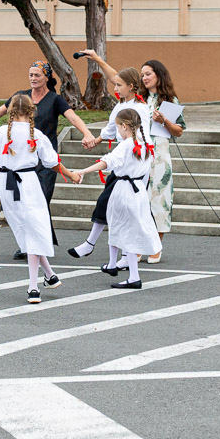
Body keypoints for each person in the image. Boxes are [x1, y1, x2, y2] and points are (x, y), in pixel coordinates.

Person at [0, 61, 96, 260]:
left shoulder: (55, 100)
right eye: (31, 75)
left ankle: (37, 243)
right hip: (21, 160)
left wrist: (87, 133)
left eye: (37, 75)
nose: (33, 78)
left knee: (39, 202)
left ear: (47, 77)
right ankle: (28, 244)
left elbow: (72, 117)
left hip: (44, 161)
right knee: (22, 205)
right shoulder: (21, 97)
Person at [0, 94, 80, 303]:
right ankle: (33, 288)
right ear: (32, 112)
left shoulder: (0, 133)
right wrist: (71, 174)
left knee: (29, 230)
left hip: (6, 184)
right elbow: (52, 162)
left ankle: (49, 275)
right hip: (28, 183)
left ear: (10, 111)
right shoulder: (37, 135)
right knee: (33, 230)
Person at [67, 65, 152, 263]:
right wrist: (95, 141)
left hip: (131, 166)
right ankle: (95, 246)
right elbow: (110, 129)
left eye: (119, 85)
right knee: (108, 205)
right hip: (121, 164)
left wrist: (137, 157)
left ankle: (122, 255)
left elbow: (143, 136)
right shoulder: (119, 106)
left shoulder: (141, 109)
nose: (115, 89)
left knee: (125, 211)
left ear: (131, 86)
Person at [73, 109, 161, 289]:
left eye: (118, 127)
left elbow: (108, 161)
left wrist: (83, 171)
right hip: (138, 191)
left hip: (124, 189)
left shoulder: (126, 145)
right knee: (123, 228)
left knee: (120, 228)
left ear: (124, 126)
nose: (117, 131)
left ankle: (132, 276)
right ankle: (114, 265)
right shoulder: (145, 144)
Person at [141, 60, 185, 262]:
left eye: (148, 74)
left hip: (160, 155)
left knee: (160, 199)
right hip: (140, 154)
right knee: (140, 200)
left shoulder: (169, 101)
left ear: (159, 75)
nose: (145, 78)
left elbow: (179, 131)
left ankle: (156, 246)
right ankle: (139, 244)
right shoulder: (140, 100)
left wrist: (164, 120)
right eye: (142, 75)